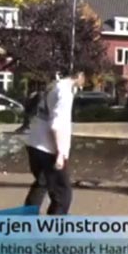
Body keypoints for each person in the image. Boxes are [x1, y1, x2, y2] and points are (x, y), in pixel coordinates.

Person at [24, 69, 85, 215]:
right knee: (63, 193)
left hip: (34, 142)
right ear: (78, 75)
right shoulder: (64, 93)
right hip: (48, 148)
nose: (84, 82)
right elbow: (56, 125)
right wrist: (60, 153)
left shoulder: (53, 87)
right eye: (84, 78)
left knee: (41, 184)